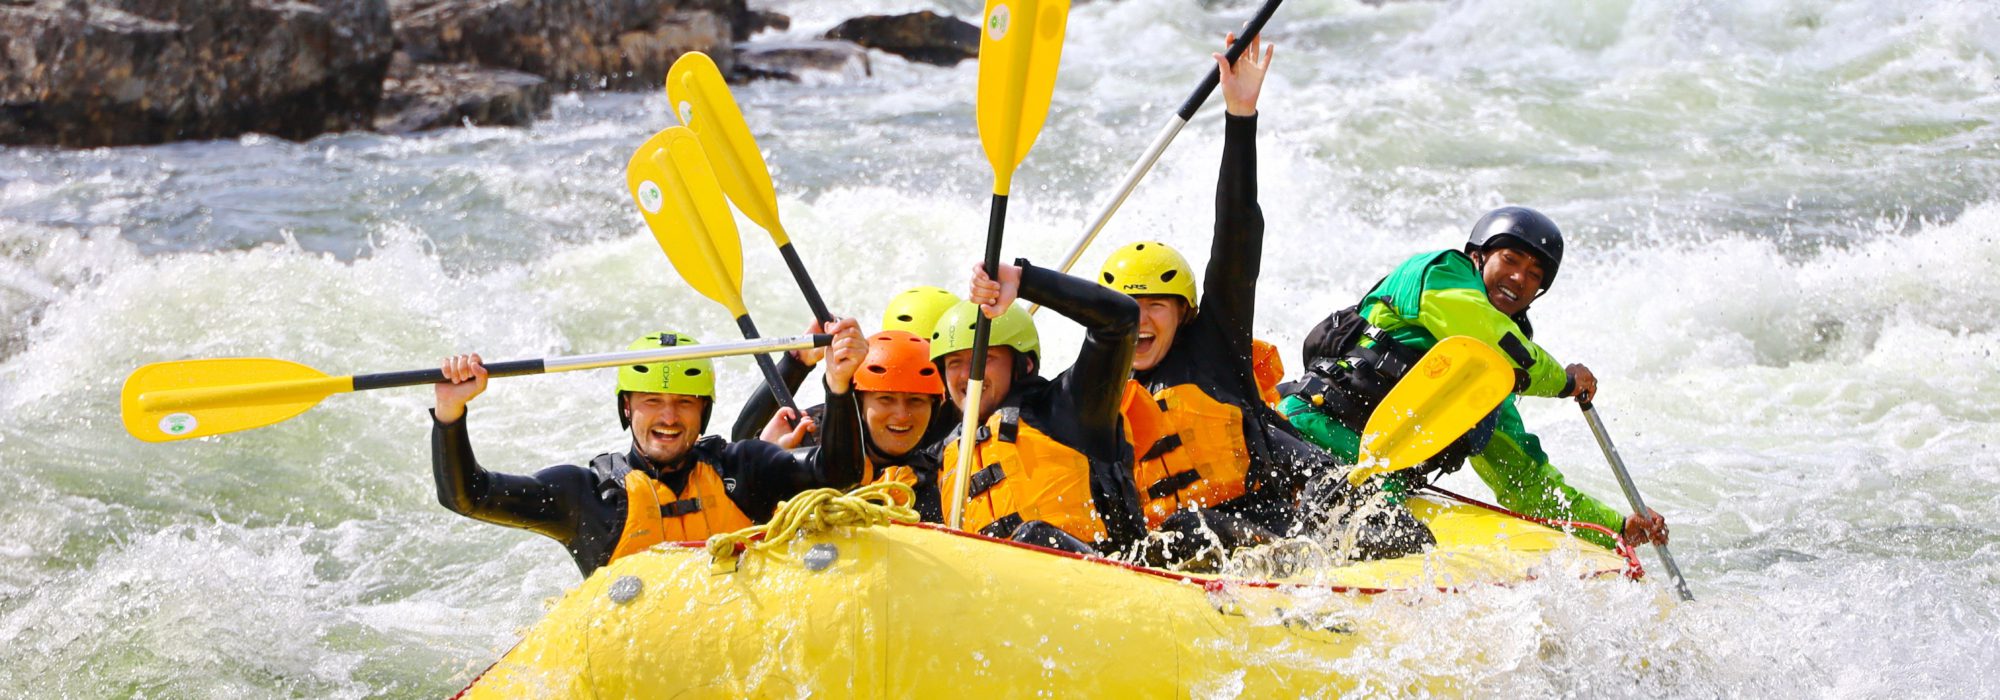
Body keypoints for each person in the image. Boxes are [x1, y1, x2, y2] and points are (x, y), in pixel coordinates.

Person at [1277, 207, 1669, 549]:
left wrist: (1614, 526)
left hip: (1377, 483)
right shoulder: (1440, 273)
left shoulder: (1493, 378)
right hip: (1306, 434)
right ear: (1478, 257)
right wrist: (1565, 382)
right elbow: (1487, 336)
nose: (1519, 278)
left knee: (1408, 544)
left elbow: (1524, 484)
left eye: (1534, 275)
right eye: (1511, 260)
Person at [1100, 33, 1336, 558]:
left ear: (1184, 315)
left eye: (1154, 305)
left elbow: (1236, 236)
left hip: (1279, 525)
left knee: (1196, 526)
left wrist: (1240, 117)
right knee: (1181, 531)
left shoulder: (1213, 349)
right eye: (1124, 308)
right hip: (1192, 551)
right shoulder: (1091, 392)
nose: (1138, 320)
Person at [428, 322, 870, 577]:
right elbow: (468, 496)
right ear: (627, 407)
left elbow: (839, 473)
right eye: (652, 402)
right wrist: (450, 414)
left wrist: (837, 385)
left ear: (704, 413)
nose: (669, 418)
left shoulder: (744, 468)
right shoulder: (586, 498)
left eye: (684, 403)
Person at [930, 262, 1147, 556]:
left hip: (1100, 579)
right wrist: (842, 391)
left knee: (1035, 537)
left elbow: (1120, 320)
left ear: (1024, 365)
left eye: (986, 357)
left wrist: (1024, 281)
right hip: (998, 590)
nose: (969, 373)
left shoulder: (1068, 409)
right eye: (955, 363)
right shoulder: (944, 455)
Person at [730, 285, 962, 451]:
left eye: (934, 358)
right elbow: (744, 441)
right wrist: (796, 363)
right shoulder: (852, 412)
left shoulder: (970, 412)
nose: (912, 368)